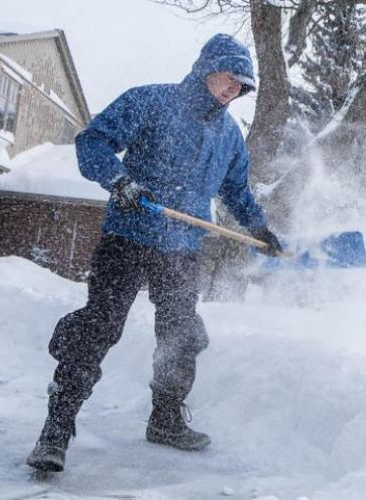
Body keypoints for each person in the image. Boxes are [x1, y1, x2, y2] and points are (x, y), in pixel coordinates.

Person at [26, 34, 282, 472]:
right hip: (129, 235)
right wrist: (119, 181)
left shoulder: (229, 136)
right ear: (207, 69)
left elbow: (236, 189)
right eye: (227, 79)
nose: (231, 90)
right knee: (99, 325)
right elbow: (94, 142)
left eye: (241, 86)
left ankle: (165, 420)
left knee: (182, 335)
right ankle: (56, 429)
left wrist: (259, 226)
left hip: (182, 248)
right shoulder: (151, 102)